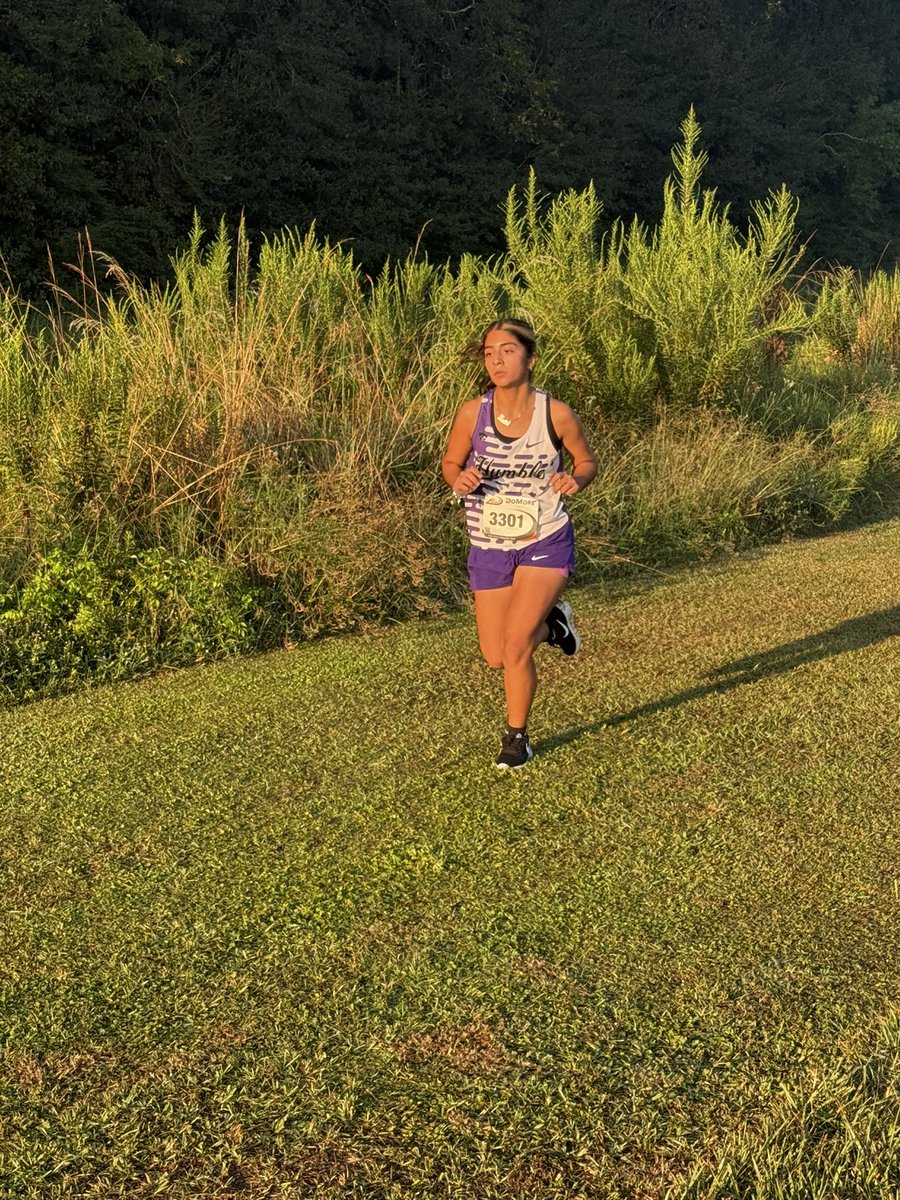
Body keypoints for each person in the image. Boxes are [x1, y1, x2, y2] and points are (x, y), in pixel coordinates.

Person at [441, 318, 597, 769]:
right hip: (488, 543)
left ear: (530, 358)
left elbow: (586, 460)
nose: (496, 360)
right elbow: (451, 462)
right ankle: (555, 626)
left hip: (544, 538)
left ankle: (517, 738)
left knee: (514, 647)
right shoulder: (473, 413)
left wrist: (576, 478)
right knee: (495, 655)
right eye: (489, 352)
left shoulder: (556, 414)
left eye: (507, 351)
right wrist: (461, 477)